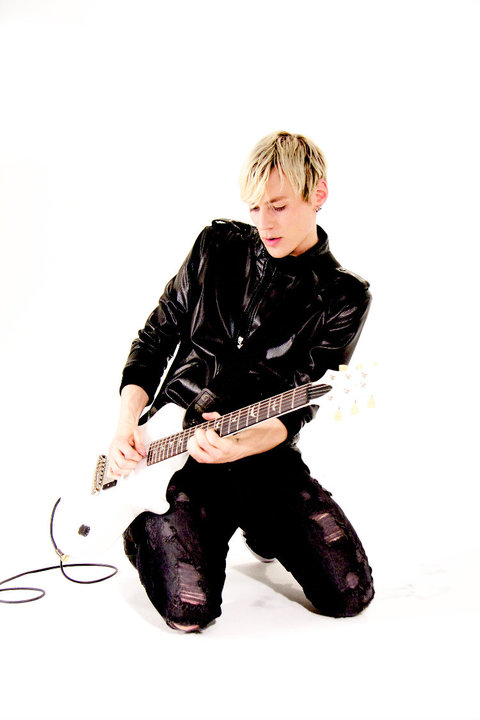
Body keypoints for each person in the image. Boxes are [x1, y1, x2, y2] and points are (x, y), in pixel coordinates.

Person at [108, 131, 374, 632]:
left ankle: (259, 524)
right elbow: (156, 335)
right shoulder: (216, 246)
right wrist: (126, 424)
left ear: (318, 193)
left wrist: (242, 445)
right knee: (189, 610)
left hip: (262, 455)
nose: (264, 222)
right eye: (254, 207)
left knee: (349, 594)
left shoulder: (343, 297)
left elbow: (301, 407)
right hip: (172, 450)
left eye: (279, 205)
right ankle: (148, 527)